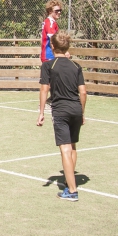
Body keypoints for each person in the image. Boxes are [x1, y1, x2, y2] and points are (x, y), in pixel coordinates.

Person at [36, 33, 88, 201]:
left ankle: (72, 190)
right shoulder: (76, 66)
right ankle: (69, 180)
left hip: (60, 110)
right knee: (72, 147)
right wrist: (82, 112)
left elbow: (44, 89)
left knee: (65, 149)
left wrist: (41, 112)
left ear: (52, 47)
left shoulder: (48, 66)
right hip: (76, 109)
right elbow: (83, 92)